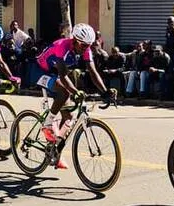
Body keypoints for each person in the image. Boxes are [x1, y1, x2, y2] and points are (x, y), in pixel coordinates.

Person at [35, 23, 116, 169]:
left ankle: (54, 151)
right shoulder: (62, 46)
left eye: (89, 46)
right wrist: (75, 92)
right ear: (75, 41)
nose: (86, 49)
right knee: (65, 91)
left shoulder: (85, 49)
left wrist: (105, 92)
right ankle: (47, 123)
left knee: (68, 117)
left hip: (58, 72)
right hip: (42, 71)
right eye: (84, 46)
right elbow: (63, 76)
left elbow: (93, 71)